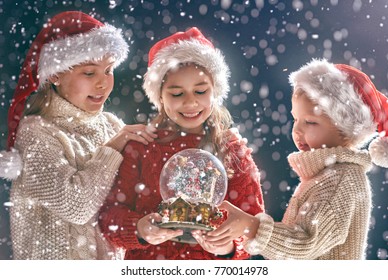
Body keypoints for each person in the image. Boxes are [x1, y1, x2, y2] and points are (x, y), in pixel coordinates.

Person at [0, 11, 157, 260]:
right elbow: (77, 207)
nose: (103, 83)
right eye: (89, 73)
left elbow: (133, 197)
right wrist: (113, 148)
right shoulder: (36, 134)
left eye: (108, 70)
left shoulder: (112, 125)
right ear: (55, 74)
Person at [98, 27, 265, 260]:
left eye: (200, 91)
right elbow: (108, 218)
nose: (190, 102)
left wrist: (228, 248)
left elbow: (256, 226)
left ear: (215, 91)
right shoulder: (142, 147)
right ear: (160, 97)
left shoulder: (232, 149)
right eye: (177, 94)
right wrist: (139, 229)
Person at [206, 59, 388, 260]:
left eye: (310, 122)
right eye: (296, 119)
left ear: (345, 129)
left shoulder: (341, 180)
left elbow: (305, 243)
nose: (297, 130)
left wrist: (250, 226)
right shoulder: (325, 175)